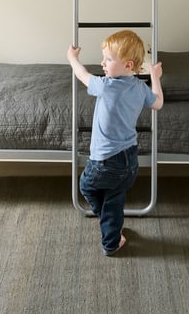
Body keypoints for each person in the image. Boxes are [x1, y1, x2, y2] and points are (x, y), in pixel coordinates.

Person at [67, 30, 163, 256]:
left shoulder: (107, 86)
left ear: (128, 65)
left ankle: (110, 239)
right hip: (129, 158)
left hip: (105, 160)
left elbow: (82, 75)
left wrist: (72, 58)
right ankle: (112, 227)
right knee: (114, 199)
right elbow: (157, 104)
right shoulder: (140, 87)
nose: (102, 63)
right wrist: (155, 78)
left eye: (108, 59)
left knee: (86, 186)